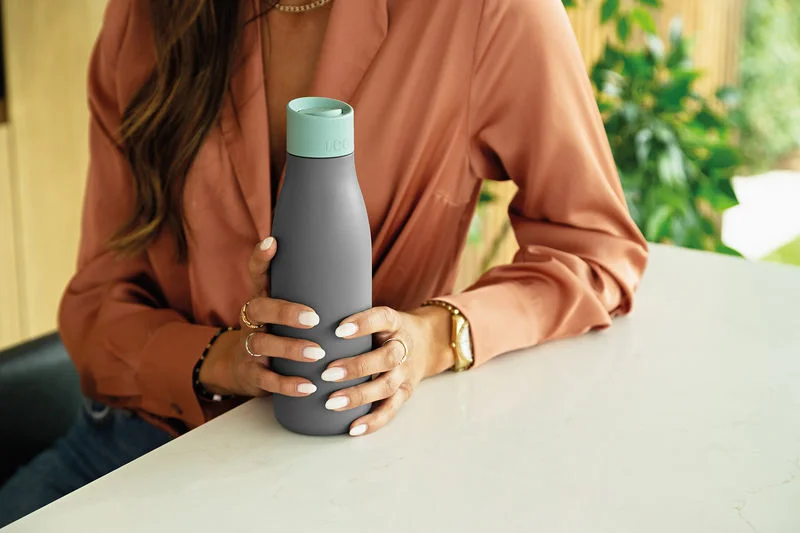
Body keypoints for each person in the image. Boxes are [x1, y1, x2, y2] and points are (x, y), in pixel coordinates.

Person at [0, 0, 648, 525]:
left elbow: (595, 246)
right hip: (139, 449)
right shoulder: (149, 15)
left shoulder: (485, 13)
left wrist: (434, 335)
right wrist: (220, 359)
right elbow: (96, 302)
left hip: (359, 468)